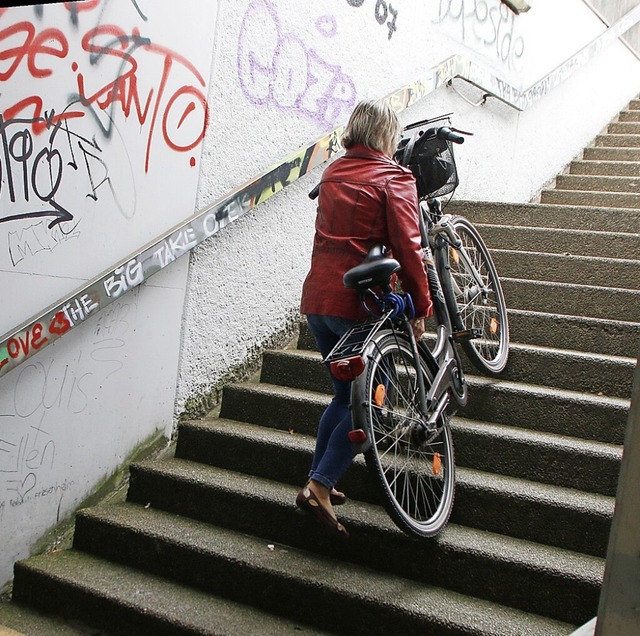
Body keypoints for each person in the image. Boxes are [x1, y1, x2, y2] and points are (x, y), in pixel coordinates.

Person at [297, 99, 434, 538]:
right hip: (358, 307)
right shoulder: (394, 177)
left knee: (341, 397)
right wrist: (422, 307)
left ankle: (323, 478)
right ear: (386, 135)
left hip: (319, 302)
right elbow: (410, 248)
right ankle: (319, 485)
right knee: (371, 402)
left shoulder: (334, 171)